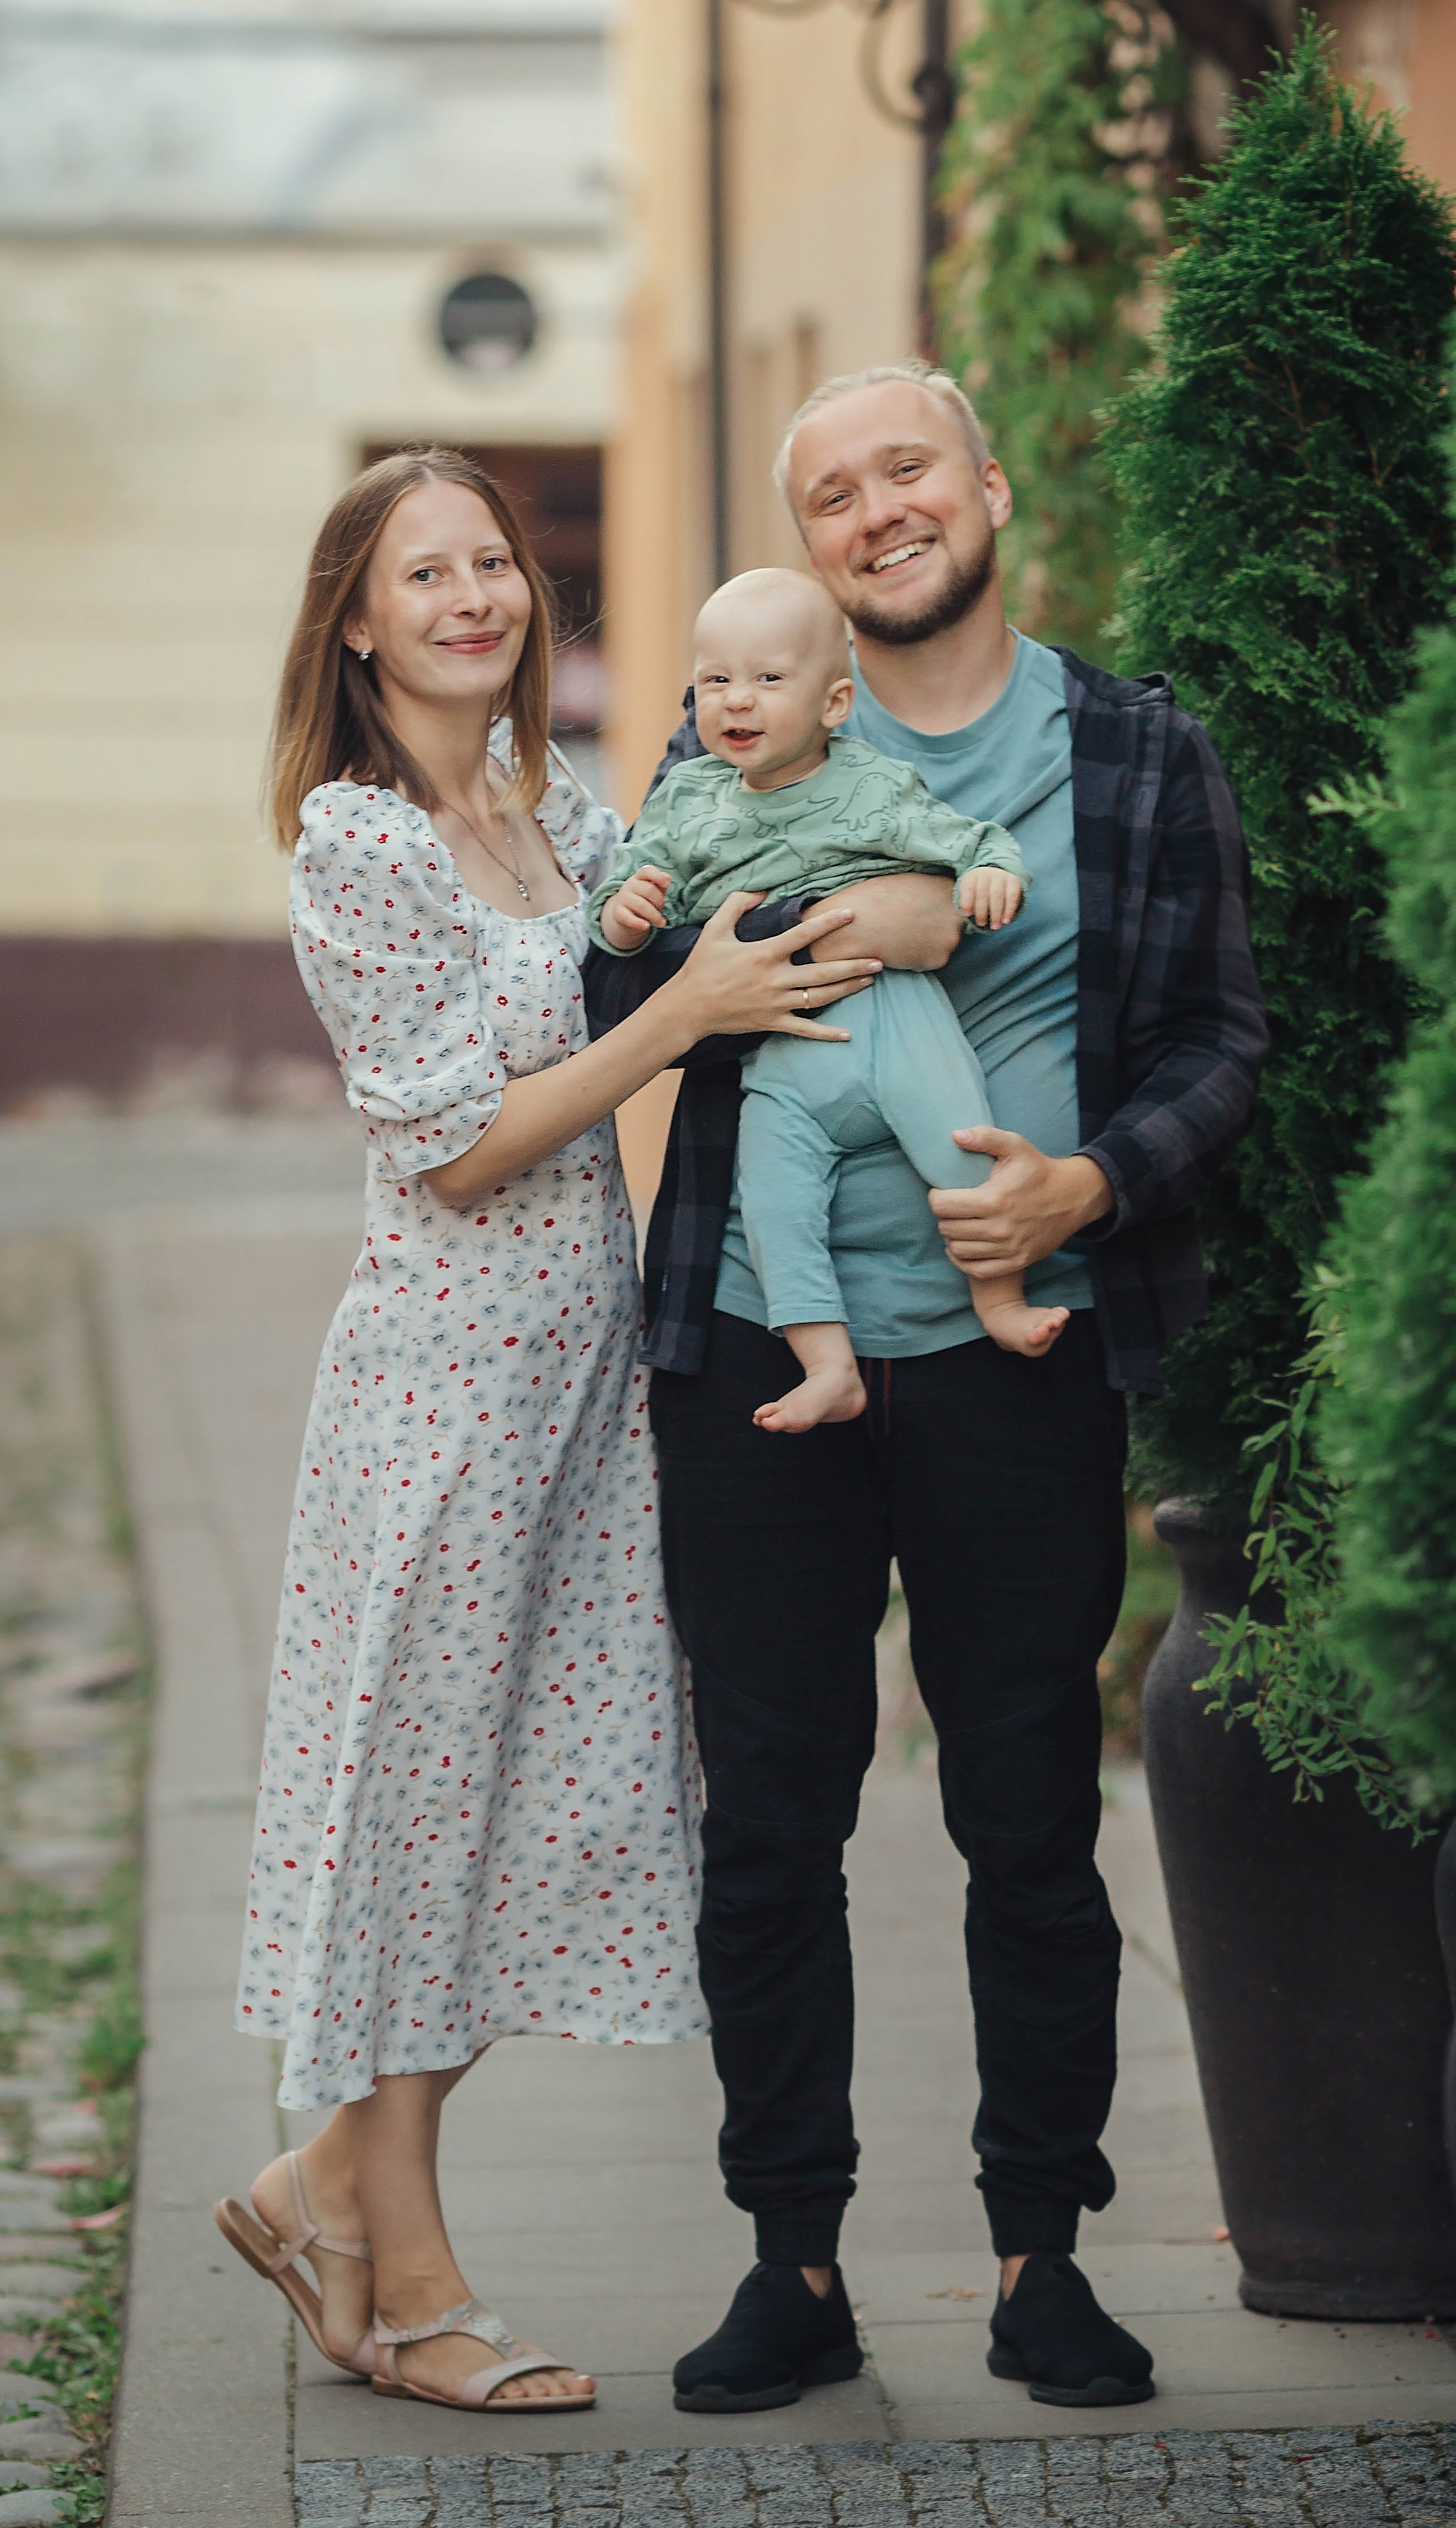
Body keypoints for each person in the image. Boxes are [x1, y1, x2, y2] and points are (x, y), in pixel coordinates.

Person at [583, 360, 1269, 2414]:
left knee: (1031, 1820)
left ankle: (1042, 2250)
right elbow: (619, 988)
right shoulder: (752, 719)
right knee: (770, 1828)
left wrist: (1092, 1179)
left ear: (983, 485)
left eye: (907, 470)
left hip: (1012, 1354)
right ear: (805, 557)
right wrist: (729, 946)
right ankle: (790, 2254)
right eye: (832, 492)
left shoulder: (1133, 749)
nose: (878, 510)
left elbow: (1223, 1039)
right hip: (756, 1346)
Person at [214, 446, 881, 2416]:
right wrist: (682, 1018)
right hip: (442, 1398)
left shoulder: (543, 800)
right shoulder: (359, 843)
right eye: (427, 573)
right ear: (357, 619)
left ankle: (315, 2190)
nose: (476, 597)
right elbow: (455, 1150)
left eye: (495, 561)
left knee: (553, 1811)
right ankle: (401, 2270)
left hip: (590, 1382)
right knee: (422, 1819)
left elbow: (701, 899)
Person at [589, 565, 1067, 1434]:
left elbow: (968, 842)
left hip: (893, 1021)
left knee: (964, 1153)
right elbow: (621, 908)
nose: (738, 701)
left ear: (834, 703)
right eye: (715, 681)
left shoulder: (871, 785)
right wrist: (625, 915)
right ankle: (827, 1363)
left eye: (770, 680)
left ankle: (1000, 1300)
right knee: (774, 1206)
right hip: (783, 1050)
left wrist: (993, 871)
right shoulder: (688, 801)